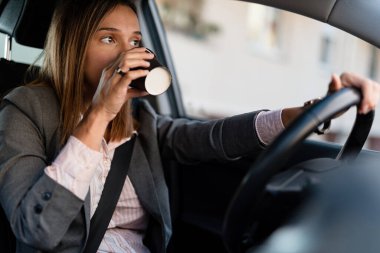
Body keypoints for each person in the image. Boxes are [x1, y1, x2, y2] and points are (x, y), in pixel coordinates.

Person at [0, 0, 379, 252]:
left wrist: (307, 113)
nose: (127, 53)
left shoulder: (142, 120)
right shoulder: (24, 110)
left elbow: (213, 138)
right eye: (108, 38)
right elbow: (38, 230)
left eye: (135, 40)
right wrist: (99, 114)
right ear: (72, 47)